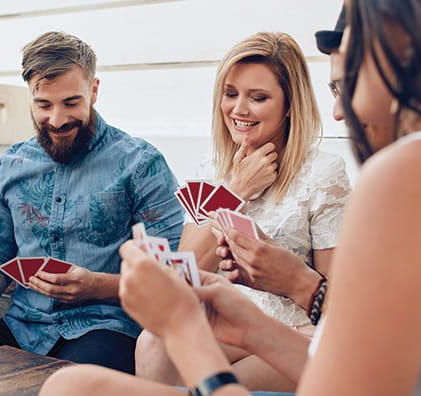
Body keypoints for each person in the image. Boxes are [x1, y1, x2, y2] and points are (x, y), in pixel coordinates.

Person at [39, 0, 421, 395]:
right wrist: (248, 323)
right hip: (289, 334)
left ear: (402, 39)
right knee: (76, 385)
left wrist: (185, 328)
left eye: (345, 59)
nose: (339, 107)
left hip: (288, 334)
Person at [0, 31, 184, 374]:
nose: (57, 120)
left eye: (71, 103)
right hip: (20, 328)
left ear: (94, 90)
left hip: (107, 330)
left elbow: (173, 273)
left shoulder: (141, 164)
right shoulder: (11, 165)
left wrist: (98, 286)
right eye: (43, 105)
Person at [135, 31, 351, 392]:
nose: (238, 110)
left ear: (289, 105)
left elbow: (336, 298)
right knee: (152, 342)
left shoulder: (323, 173)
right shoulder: (212, 169)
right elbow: (185, 269)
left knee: (217, 385)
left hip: (294, 329)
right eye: (231, 94)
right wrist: (235, 190)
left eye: (258, 97)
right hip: (227, 318)